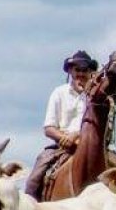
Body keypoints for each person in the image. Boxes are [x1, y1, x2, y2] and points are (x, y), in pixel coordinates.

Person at [25, 50, 98, 200]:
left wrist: (77, 135)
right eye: (77, 70)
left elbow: (100, 125)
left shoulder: (96, 97)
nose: (81, 74)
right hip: (62, 146)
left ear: (91, 72)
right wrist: (65, 138)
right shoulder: (59, 93)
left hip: (91, 144)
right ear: (71, 71)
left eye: (85, 70)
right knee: (33, 180)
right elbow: (49, 128)